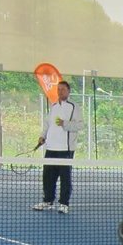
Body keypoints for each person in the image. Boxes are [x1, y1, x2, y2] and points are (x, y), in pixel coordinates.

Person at [33, 80, 81, 213]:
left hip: (65, 149)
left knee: (65, 177)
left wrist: (65, 123)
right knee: (48, 176)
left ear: (68, 91)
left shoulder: (74, 107)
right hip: (50, 148)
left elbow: (79, 125)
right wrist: (43, 136)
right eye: (58, 89)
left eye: (63, 89)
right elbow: (48, 124)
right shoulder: (53, 106)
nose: (60, 92)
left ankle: (64, 203)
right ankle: (48, 201)